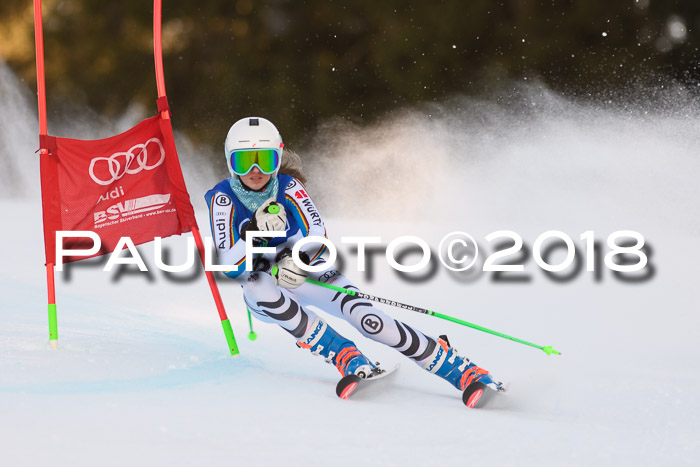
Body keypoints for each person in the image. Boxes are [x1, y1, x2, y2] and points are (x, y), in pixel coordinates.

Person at [205, 116, 502, 403]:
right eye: (244, 161)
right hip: (266, 291)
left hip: (305, 274)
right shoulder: (223, 198)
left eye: (265, 160)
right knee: (257, 284)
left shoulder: (288, 187)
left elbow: (318, 234)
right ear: (230, 162)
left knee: (370, 321)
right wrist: (254, 231)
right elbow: (230, 265)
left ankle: (462, 371)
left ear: (278, 158)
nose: (255, 170)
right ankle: (345, 355)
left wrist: (296, 260)